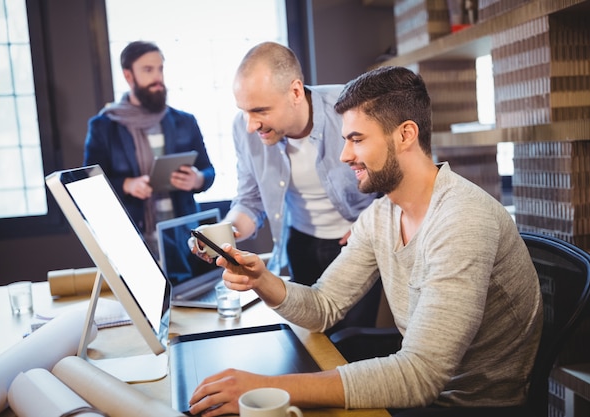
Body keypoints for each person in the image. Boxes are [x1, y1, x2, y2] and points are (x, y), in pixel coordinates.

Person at [188, 66, 543, 416]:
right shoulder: (382, 214)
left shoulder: (461, 219)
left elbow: (422, 375)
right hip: (429, 395)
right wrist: (261, 280)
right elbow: (324, 306)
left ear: (405, 135)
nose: (344, 156)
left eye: (357, 139)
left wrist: (267, 386)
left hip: (473, 407)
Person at [191, 41, 381, 332]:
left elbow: (398, 175)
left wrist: (373, 220)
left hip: (358, 244)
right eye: (243, 111)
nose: (250, 125)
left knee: (351, 345)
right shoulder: (244, 130)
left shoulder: (352, 109)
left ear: (295, 91)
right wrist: (225, 235)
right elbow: (249, 200)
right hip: (300, 242)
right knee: (311, 338)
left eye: (259, 111)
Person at [84, 41, 215, 256]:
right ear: (128, 76)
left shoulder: (185, 121)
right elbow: (89, 186)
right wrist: (126, 184)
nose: (157, 77)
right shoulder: (104, 126)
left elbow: (208, 171)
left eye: (160, 69)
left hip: (184, 238)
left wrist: (197, 179)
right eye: (148, 70)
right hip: (132, 239)